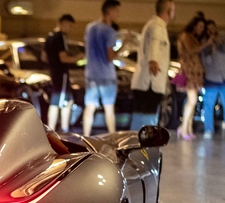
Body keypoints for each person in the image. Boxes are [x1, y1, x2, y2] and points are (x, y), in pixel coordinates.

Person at [129, 0, 175, 131]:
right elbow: (155, 44)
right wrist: (153, 61)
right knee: (148, 119)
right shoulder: (158, 27)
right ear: (168, 11)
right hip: (150, 83)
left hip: (144, 81)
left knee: (138, 118)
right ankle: (146, 148)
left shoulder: (151, 24)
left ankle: (133, 146)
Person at [82, 0, 122, 136]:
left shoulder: (89, 27)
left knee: (90, 107)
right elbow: (110, 56)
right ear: (109, 12)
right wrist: (123, 46)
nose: (117, 14)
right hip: (106, 76)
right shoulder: (109, 31)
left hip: (91, 74)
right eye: (116, 11)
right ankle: (113, 138)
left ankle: (86, 137)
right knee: (109, 109)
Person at [44, 14, 85, 133]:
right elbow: (63, 58)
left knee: (65, 100)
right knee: (59, 102)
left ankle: (57, 128)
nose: (71, 29)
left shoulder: (49, 36)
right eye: (70, 26)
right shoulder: (61, 36)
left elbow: (44, 57)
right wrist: (78, 58)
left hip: (54, 73)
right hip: (61, 74)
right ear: (63, 23)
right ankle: (61, 129)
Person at [177, 15, 213, 140]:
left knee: (192, 101)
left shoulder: (193, 37)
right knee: (192, 100)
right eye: (199, 26)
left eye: (203, 27)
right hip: (189, 72)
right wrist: (206, 44)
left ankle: (188, 127)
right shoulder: (185, 36)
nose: (201, 29)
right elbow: (191, 50)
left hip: (195, 72)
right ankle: (183, 128)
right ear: (194, 25)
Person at [201, 22, 225, 139]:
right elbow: (206, 63)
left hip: (223, 78)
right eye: (208, 29)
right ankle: (208, 129)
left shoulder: (222, 41)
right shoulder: (205, 45)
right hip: (211, 79)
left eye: (213, 28)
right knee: (208, 105)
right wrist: (211, 50)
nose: (211, 31)